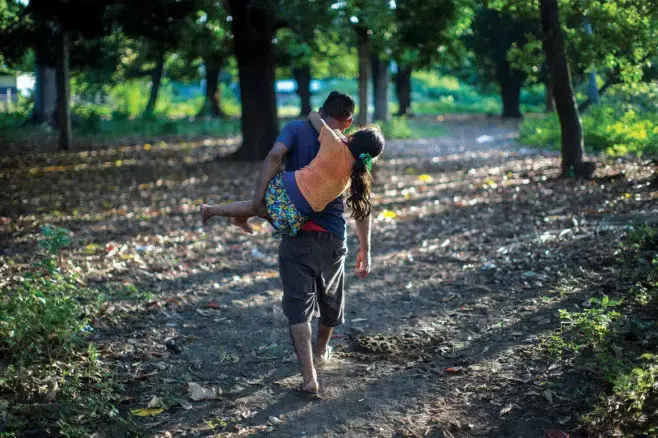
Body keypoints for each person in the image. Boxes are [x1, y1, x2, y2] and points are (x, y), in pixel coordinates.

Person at [204, 91, 382, 397]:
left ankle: (309, 377)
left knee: (298, 308)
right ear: (348, 122)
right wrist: (365, 248)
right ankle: (320, 352)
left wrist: (260, 198)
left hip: (293, 225)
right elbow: (362, 209)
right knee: (330, 305)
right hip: (331, 239)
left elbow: (276, 154)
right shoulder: (356, 169)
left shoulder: (313, 134)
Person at [201, 110, 384, 237]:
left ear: (352, 137)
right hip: (293, 215)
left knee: (257, 204)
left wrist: (338, 134)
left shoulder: (334, 143)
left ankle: (215, 211)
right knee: (260, 207)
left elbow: (313, 115)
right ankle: (220, 212)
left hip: (282, 187)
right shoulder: (357, 175)